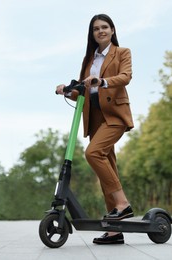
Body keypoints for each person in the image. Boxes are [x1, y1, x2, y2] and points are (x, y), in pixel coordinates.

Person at [56, 14, 134, 245]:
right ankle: (114, 229)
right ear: (92, 34)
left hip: (115, 116)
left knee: (92, 153)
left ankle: (123, 204)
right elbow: (82, 88)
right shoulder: (89, 59)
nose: (100, 31)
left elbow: (126, 77)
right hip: (95, 118)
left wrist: (102, 81)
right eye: (96, 28)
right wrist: (66, 89)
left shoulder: (122, 53)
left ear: (112, 30)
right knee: (107, 170)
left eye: (104, 27)